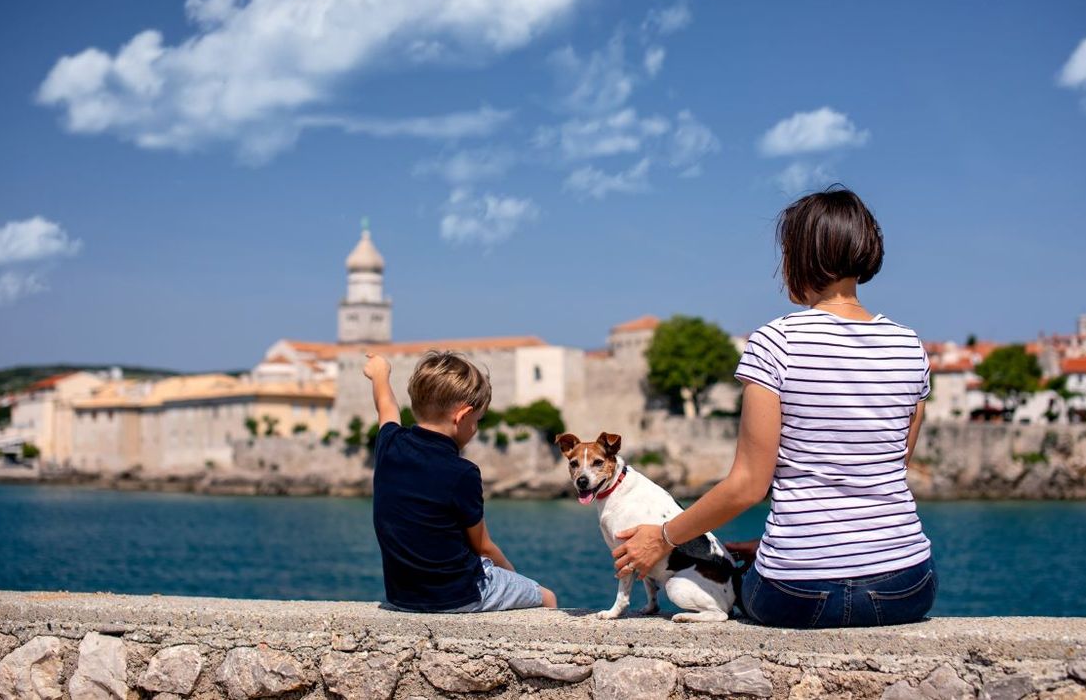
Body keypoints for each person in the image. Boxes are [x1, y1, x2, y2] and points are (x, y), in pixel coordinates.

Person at [612, 187, 936, 627]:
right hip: (907, 586)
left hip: (802, 593)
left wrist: (664, 539)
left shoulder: (776, 341)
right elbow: (886, 467)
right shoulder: (910, 346)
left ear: (799, 256)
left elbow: (747, 485)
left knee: (738, 585)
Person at [364, 350, 557, 613]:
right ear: (463, 416)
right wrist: (517, 578)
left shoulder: (389, 444)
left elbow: (385, 405)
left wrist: (379, 373)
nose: (475, 429)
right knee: (545, 596)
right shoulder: (463, 472)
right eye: (477, 421)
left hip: (402, 596)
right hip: (456, 595)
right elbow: (483, 546)